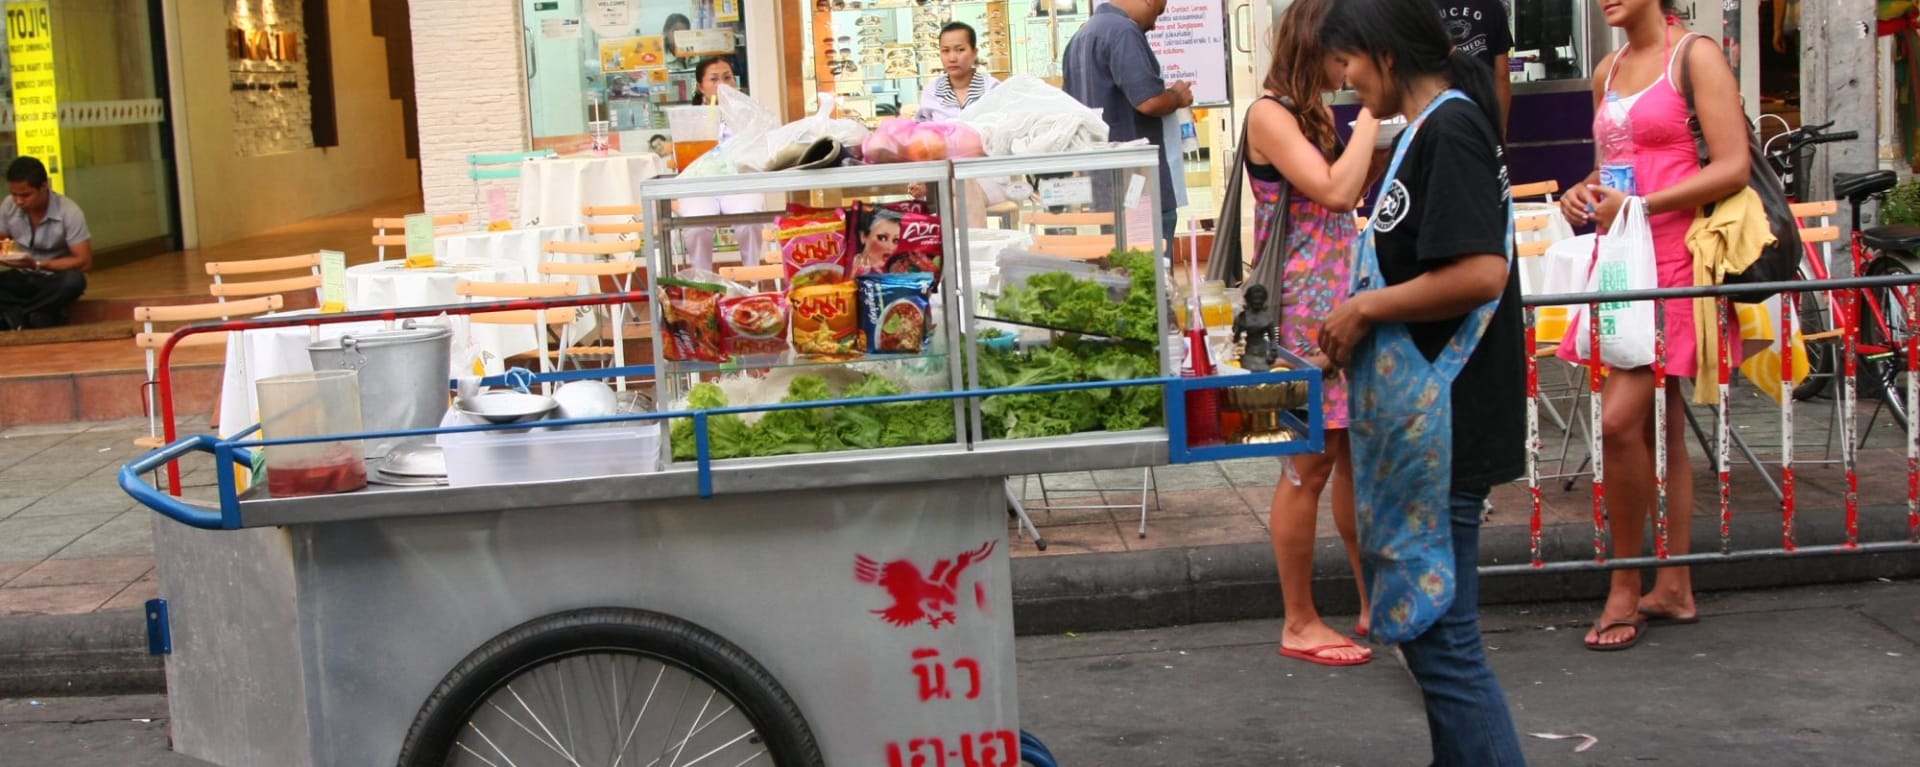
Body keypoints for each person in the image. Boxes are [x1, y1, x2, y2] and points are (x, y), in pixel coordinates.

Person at [1315, 0, 1527, 762]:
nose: (1343, 80)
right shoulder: (1424, 132)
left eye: (1347, 62)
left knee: (1442, 639)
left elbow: (1478, 272)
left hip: (1450, 420)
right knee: (1430, 634)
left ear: (1384, 54)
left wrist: (1367, 307)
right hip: (1422, 425)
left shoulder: (1454, 128)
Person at [1557, 0, 1749, 651]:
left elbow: (1732, 166)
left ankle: (1623, 585)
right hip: (1621, 262)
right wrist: (1581, 191)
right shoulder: (1606, 70)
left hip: (1676, 260)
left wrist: (1639, 204)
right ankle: (1674, 585)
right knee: (1654, 423)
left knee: (1619, 420)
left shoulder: (1693, 55)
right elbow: (1620, 163)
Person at [1246, 0, 1381, 667]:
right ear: (1317, 47)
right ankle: (1298, 619)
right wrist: (1376, 117)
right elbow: (1334, 191)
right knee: (1308, 462)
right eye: (1344, 54)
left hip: (1337, 297)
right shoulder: (1268, 114)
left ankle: (1371, 603)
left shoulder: (1313, 112)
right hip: (1300, 311)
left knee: (1349, 451)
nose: (1350, 68)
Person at [1061, 0, 1191, 260]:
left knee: (1120, 269)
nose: (1155, 24)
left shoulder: (1079, 38)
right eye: (1158, 12)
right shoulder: (1123, 31)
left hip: (1103, 181)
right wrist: (1177, 96)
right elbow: (1149, 101)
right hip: (1138, 183)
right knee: (1149, 275)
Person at [679, 57, 765, 272]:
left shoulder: (749, 114)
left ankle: (751, 278)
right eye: (714, 79)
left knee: (750, 219)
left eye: (727, 78)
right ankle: (703, 285)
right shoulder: (688, 119)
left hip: (739, 182)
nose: (722, 84)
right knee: (695, 225)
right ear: (700, 86)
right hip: (700, 186)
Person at [0, 157, 91, 330]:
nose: (19, 201)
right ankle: (38, 314)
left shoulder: (69, 212)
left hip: (53, 278)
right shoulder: (8, 206)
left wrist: (38, 265)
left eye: (25, 195)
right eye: (14, 195)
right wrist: (6, 255)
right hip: (21, 276)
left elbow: (84, 261)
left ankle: (17, 316)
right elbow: (2, 241)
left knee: (73, 282)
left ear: (44, 186)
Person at [1430, 0, 1513, 136]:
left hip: (1439, 118)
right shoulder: (1493, 6)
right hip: (1482, 118)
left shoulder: (1426, 7)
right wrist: (1500, 131)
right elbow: (1502, 75)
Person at [918, 22, 999, 122]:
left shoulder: (992, 88)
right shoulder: (931, 92)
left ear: (974, 52)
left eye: (960, 50)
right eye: (945, 50)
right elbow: (922, 131)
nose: (952, 58)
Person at [853, 207, 903, 275]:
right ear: (863, 236)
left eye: (895, 240)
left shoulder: (886, 273)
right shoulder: (847, 268)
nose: (890, 247)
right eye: (883, 238)